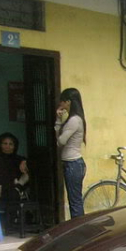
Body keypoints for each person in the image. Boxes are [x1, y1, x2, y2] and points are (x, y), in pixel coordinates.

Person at [55, 87, 87, 218]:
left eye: (62, 101)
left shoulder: (74, 120)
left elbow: (61, 141)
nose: (60, 104)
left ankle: (79, 231)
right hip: (73, 163)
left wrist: (58, 122)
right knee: (75, 200)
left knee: (75, 202)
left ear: (68, 102)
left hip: (73, 164)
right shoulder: (74, 118)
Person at [0, 132, 29, 204]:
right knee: (12, 193)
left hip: (16, 187)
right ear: (0, 145)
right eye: (5, 143)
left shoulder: (19, 159)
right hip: (1, 187)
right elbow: (0, 176)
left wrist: (25, 162)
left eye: (11, 144)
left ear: (15, 146)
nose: (8, 146)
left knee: (26, 176)